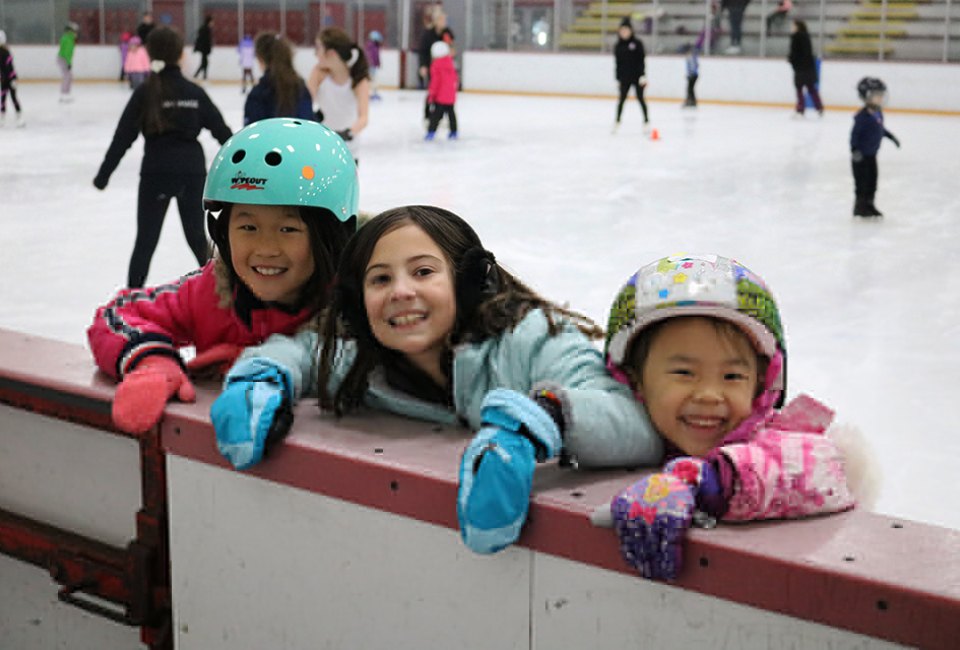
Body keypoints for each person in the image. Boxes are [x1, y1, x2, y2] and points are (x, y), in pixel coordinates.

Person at [210, 206, 663, 555]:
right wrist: (261, 378)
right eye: (380, 278)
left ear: (468, 282)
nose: (401, 291)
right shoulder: (364, 359)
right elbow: (302, 350)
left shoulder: (532, 339)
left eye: (424, 272)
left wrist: (538, 423)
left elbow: (633, 420)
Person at [594, 254, 872, 581]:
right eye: (684, 372)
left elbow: (819, 470)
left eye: (732, 377)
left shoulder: (780, 443)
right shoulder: (624, 436)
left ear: (761, 384)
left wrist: (710, 482)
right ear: (636, 378)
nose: (709, 394)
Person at [88, 117, 359, 436]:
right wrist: (152, 361)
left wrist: (250, 362)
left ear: (331, 237)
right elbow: (118, 313)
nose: (266, 248)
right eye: (248, 227)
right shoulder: (211, 290)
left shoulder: (355, 303)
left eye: (288, 229)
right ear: (222, 231)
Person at [93, 26, 233, 289]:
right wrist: (247, 166)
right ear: (181, 54)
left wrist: (104, 175)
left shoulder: (145, 92)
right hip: (191, 173)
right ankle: (224, 295)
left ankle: (131, 299)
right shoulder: (194, 92)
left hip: (156, 173)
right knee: (197, 240)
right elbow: (223, 133)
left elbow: (122, 137)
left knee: (145, 241)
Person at [308, 27, 371, 158]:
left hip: (348, 150)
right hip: (322, 146)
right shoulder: (318, 74)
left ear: (331, 53)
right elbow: (307, 101)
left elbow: (363, 118)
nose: (315, 54)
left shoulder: (358, 80)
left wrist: (348, 133)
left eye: (318, 48)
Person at [851, 77, 900, 218]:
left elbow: (880, 129)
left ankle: (870, 205)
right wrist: (855, 150)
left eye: (881, 95)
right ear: (866, 96)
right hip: (860, 157)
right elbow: (855, 135)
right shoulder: (862, 117)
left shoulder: (878, 113)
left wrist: (890, 137)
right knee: (862, 183)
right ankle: (860, 207)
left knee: (872, 181)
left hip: (872, 155)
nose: (881, 98)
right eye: (877, 95)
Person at [244, 31, 314, 126]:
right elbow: (308, 124)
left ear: (260, 58)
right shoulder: (301, 89)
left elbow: (250, 132)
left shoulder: (258, 94)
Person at [418, 6, 455, 120]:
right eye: (441, 20)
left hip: (445, 68)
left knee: (444, 93)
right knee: (433, 91)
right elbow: (423, 51)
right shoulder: (428, 34)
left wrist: (451, 49)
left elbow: (452, 48)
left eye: (445, 20)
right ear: (436, 20)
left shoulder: (447, 32)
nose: (444, 22)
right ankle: (428, 114)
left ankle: (440, 115)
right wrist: (423, 66)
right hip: (432, 68)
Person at [613, 17, 649, 133]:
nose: (624, 32)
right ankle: (617, 122)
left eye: (626, 30)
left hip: (637, 77)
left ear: (631, 30)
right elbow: (617, 64)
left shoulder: (637, 44)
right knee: (622, 100)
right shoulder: (618, 46)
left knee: (641, 99)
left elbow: (641, 60)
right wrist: (618, 78)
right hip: (624, 78)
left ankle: (646, 121)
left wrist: (643, 75)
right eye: (622, 30)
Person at [787, 19, 823, 117]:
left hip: (801, 67)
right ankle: (819, 107)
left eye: (793, 26)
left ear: (797, 27)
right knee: (811, 88)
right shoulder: (805, 36)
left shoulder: (797, 37)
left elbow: (796, 53)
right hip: (807, 67)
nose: (792, 28)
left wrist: (792, 60)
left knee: (800, 89)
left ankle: (800, 109)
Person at [425, 40, 457, 140]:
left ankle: (431, 132)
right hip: (450, 96)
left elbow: (435, 81)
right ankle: (453, 131)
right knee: (451, 114)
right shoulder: (450, 63)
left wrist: (431, 94)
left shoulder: (436, 65)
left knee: (436, 116)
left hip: (440, 97)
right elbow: (455, 79)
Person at [0, 30, 24, 128]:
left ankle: (18, 117)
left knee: (9, 97)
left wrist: (12, 78)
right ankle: (7, 117)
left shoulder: (5, 52)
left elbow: (9, 67)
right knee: (6, 97)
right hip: (7, 78)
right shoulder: (6, 52)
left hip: (8, 79)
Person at [57, 21, 78, 102]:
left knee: (69, 76)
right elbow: (66, 52)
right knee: (67, 76)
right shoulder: (68, 39)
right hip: (63, 59)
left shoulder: (69, 38)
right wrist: (68, 63)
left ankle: (66, 94)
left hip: (64, 59)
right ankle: (64, 95)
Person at [193, 15, 214, 81]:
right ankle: (199, 75)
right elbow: (204, 40)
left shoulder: (205, 29)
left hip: (204, 49)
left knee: (204, 63)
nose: (213, 23)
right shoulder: (205, 29)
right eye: (212, 22)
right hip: (204, 49)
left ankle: (202, 76)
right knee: (204, 63)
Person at [365, 30, 383, 101]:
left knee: (373, 80)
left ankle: (373, 93)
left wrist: (378, 63)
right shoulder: (372, 47)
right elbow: (372, 56)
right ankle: (369, 93)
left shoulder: (374, 46)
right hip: (371, 66)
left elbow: (376, 56)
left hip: (373, 66)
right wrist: (373, 63)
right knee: (371, 80)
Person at [680, 43, 699, 109]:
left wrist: (690, 74)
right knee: (690, 89)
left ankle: (690, 102)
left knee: (689, 89)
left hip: (692, 75)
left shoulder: (690, 56)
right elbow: (696, 65)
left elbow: (693, 66)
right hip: (694, 74)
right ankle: (692, 102)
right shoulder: (693, 56)